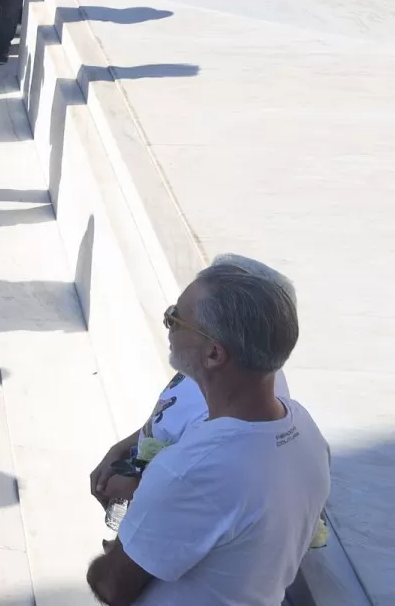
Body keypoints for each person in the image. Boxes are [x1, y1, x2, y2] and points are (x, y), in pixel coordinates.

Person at [85, 257, 329, 606]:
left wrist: (121, 546)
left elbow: (112, 586)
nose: (167, 326)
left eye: (175, 319)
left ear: (214, 354)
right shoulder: (304, 428)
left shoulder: (192, 469)